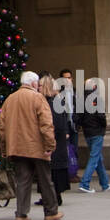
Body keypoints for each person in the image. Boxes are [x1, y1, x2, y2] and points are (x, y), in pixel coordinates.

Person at [0, 71, 61, 220]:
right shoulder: (37, 98)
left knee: (23, 181)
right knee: (45, 180)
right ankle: (51, 211)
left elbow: (2, 127)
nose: (38, 87)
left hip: (17, 147)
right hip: (36, 147)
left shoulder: (10, 99)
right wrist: (50, 145)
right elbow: (46, 124)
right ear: (33, 84)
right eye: (38, 84)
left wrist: (4, 148)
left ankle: (21, 213)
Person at [40, 74, 72, 204]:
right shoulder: (51, 101)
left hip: (55, 144)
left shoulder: (53, 102)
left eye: (41, 85)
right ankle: (50, 197)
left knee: (53, 171)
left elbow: (58, 125)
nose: (38, 87)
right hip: (54, 143)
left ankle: (54, 197)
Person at [76, 77, 110, 193]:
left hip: (87, 132)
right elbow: (101, 116)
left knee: (97, 157)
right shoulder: (97, 99)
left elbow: (77, 117)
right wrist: (103, 126)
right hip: (97, 131)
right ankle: (85, 183)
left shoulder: (81, 100)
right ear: (95, 87)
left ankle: (105, 183)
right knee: (94, 157)